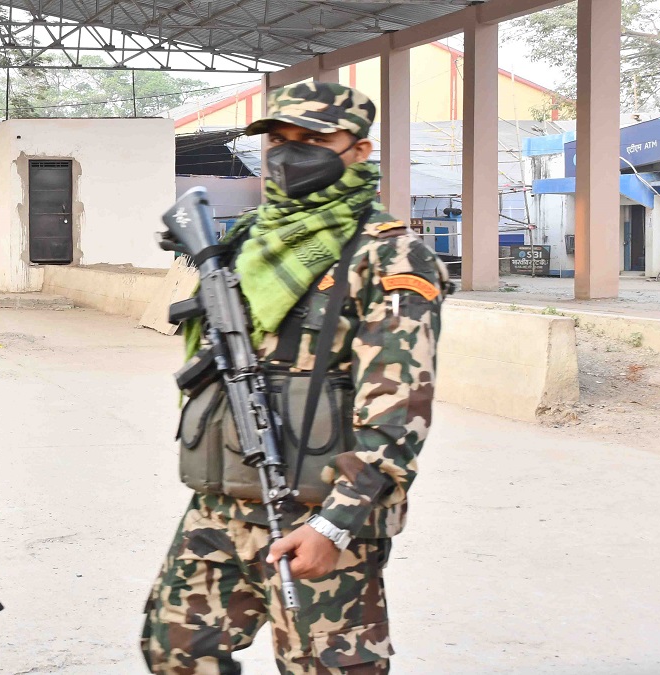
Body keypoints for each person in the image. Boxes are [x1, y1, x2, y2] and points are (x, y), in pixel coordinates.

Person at [141, 82, 451, 674]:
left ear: (358, 150)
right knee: (175, 653)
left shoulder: (388, 255)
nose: (289, 153)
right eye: (279, 140)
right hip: (221, 504)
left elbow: (399, 408)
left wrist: (336, 524)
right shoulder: (246, 243)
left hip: (316, 510)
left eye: (314, 139)